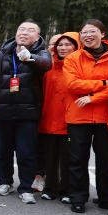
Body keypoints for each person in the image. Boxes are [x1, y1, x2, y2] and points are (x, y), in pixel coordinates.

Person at [64, 19, 108, 213]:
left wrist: (93, 98)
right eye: (84, 32)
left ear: (103, 34)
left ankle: (107, 197)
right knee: (77, 159)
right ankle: (78, 197)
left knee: (107, 159)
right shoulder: (73, 58)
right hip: (78, 116)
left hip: (106, 116)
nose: (88, 35)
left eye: (92, 32)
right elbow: (73, 85)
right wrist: (103, 83)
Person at [0, 20, 52, 204]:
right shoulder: (3, 53)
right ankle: (5, 182)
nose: (24, 33)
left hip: (28, 113)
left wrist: (30, 58)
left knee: (26, 153)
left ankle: (25, 188)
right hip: (4, 112)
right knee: (4, 151)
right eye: (21, 29)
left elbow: (46, 64)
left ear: (38, 36)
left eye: (30, 30)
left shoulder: (41, 53)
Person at [38, 32, 79, 202]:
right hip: (48, 118)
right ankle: (50, 189)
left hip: (71, 120)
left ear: (76, 46)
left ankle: (66, 190)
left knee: (68, 158)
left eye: (67, 45)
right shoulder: (48, 67)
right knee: (50, 156)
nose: (63, 48)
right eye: (59, 45)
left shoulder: (79, 66)